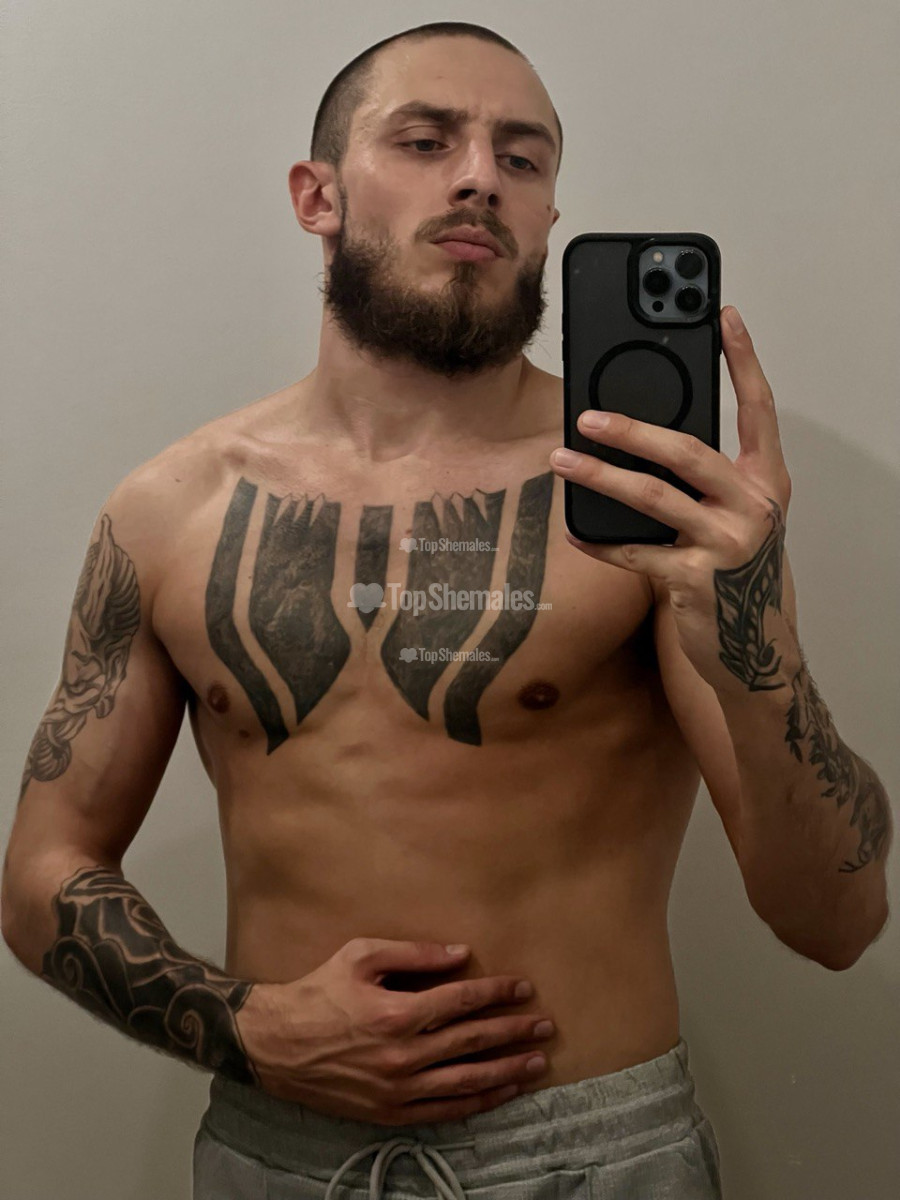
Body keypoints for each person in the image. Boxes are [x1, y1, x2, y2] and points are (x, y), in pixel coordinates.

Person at [2, 19, 891, 1200]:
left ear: (548, 217)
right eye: (425, 141)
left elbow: (838, 918)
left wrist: (752, 645)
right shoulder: (169, 513)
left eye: (522, 158)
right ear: (317, 195)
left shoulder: (652, 505)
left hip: (594, 1159)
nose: (480, 176)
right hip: (276, 1151)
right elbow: (43, 867)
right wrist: (248, 1027)